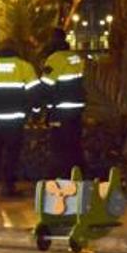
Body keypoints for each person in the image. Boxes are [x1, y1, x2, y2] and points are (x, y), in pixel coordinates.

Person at [0, 42, 40, 197]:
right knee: (12, 154)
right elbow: (34, 93)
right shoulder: (24, 66)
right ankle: (8, 186)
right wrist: (35, 112)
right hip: (16, 120)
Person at [41, 28, 87, 177]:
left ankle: (61, 175)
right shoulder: (76, 57)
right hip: (77, 108)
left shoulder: (54, 59)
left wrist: (43, 108)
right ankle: (79, 173)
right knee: (75, 143)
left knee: (59, 144)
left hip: (60, 110)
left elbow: (46, 86)